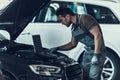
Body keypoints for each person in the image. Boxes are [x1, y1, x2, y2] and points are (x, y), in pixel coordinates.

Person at [54, 7, 106, 80]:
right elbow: (72, 44)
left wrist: (96, 55)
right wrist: (57, 48)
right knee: (84, 77)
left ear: (67, 16)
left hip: (97, 52)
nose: (61, 23)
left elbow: (97, 35)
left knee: (93, 78)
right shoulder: (74, 28)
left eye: (61, 20)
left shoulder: (85, 19)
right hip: (87, 53)